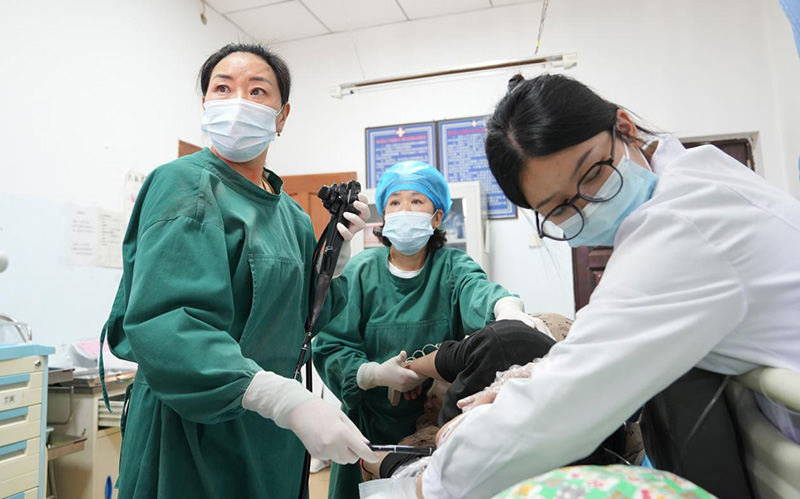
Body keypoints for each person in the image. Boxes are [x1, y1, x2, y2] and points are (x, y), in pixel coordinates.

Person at [417, 73, 800, 498]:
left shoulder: (684, 225)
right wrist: (528, 381)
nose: (588, 205)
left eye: (594, 172)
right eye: (560, 207)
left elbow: (560, 410)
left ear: (626, 127)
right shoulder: (689, 182)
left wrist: (426, 484)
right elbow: (599, 343)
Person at [101, 43, 379, 498]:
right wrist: (281, 398)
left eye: (257, 91)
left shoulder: (289, 213)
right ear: (205, 105)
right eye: (223, 89)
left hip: (271, 436)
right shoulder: (184, 184)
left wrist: (332, 267)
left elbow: (301, 320)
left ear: (282, 116)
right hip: (194, 428)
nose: (238, 102)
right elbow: (169, 324)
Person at [313, 161, 540, 498]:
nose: (405, 209)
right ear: (384, 217)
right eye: (395, 202)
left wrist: (506, 307)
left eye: (417, 201)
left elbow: (478, 291)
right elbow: (331, 344)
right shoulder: (361, 271)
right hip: (368, 424)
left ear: (437, 217)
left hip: (437, 422)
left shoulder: (452, 268)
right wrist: (372, 374)